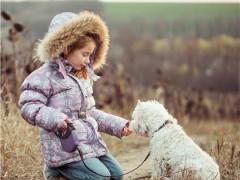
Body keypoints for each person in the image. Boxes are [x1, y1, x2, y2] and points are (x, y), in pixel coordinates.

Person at [18, 11, 133, 180]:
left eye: (91, 55)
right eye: (85, 54)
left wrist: (119, 125)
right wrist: (55, 118)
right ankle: (56, 172)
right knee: (101, 178)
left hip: (89, 146)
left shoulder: (81, 78)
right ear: (66, 48)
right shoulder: (43, 77)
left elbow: (90, 112)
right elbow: (28, 106)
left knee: (117, 175)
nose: (88, 60)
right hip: (64, 151)